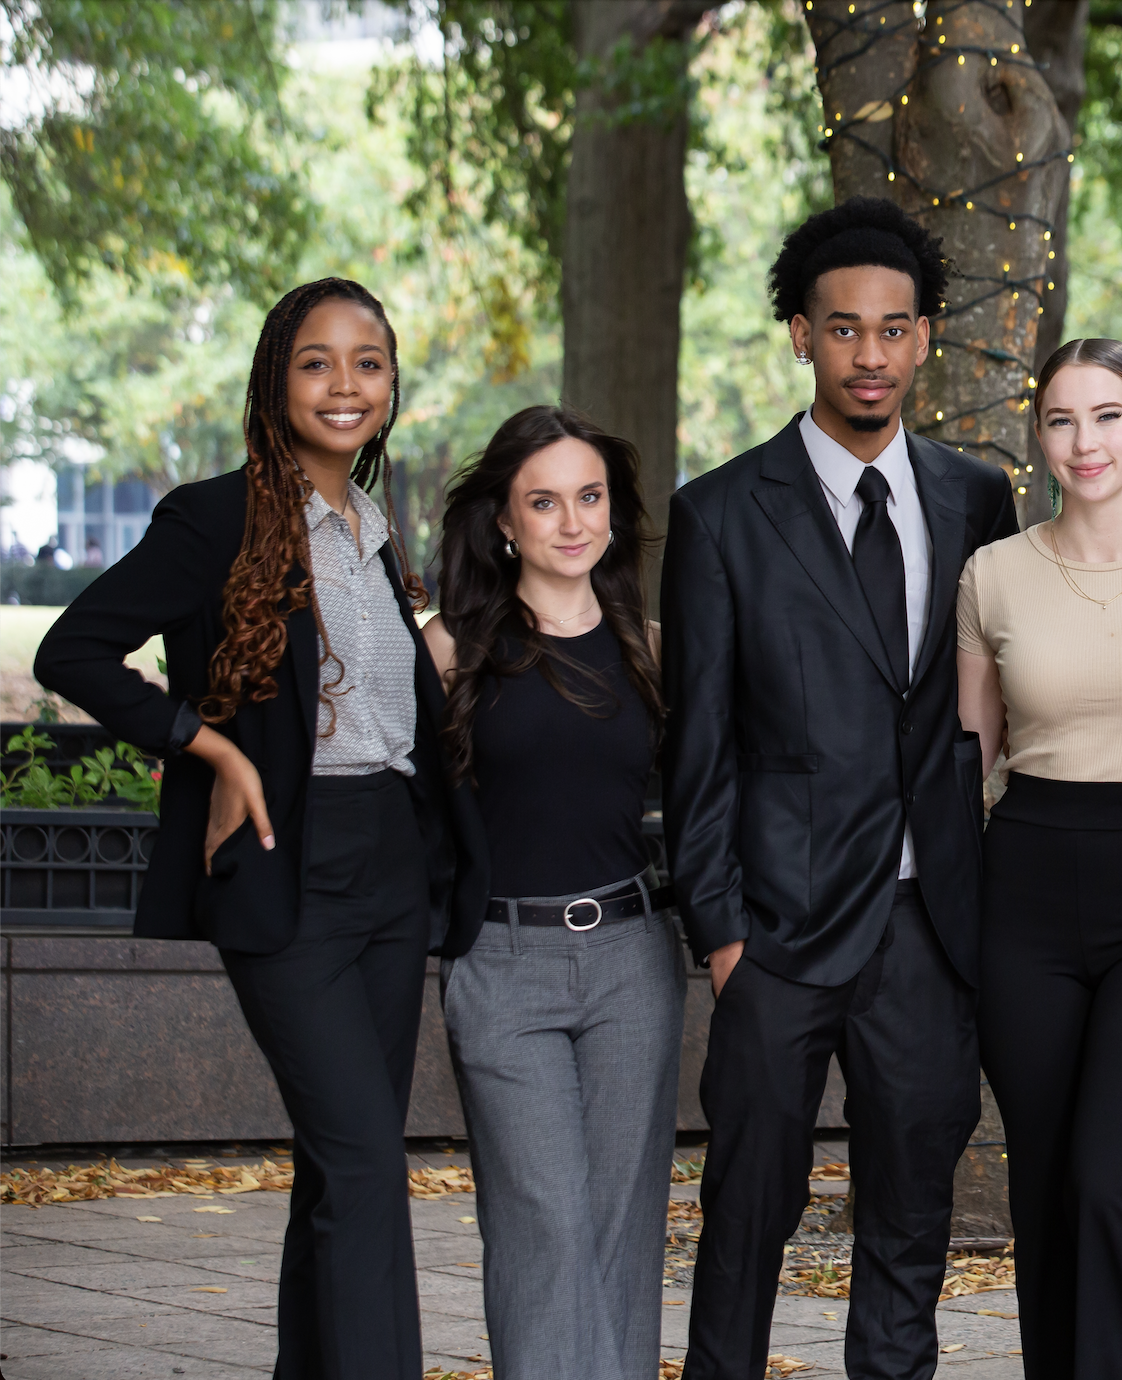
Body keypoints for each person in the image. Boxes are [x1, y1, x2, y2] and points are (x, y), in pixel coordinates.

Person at [33, 278, 487, 1379]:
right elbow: (73, 652)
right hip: (287, 867)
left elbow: (383, 708)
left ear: (391, 385)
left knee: (342, 1170)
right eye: (316, 362)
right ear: (275, 379)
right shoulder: (214, 517)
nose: (344, 384)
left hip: (390, 865)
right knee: (371, 1164)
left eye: (367, 362)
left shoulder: (374, 528)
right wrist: (213, 747)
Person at [662, 196, 1019, 1380]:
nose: (870, 353)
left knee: (909, 1222)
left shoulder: (976, 501)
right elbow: (699, 739)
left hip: (928, 927)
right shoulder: (719, 514)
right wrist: (719, 934)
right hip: (775, 930)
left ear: (922, 340)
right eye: (843, 329)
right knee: (745, 1217)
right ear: (802, 337)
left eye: (894, 328)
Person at [956, 338, 1122, 1378]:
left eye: (1107, 415)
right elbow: (966, 764)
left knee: (1116, 1179)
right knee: (1046, 1184)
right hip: (1022, 886)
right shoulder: (994, 573)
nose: (1085, 440)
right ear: (1039, 438)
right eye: (1062, 419)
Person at [420, 405, 681, 1380]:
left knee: (621, 1227)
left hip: (629, 961)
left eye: (588, 497)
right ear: (502, 521)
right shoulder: (448, 651)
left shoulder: (651, 648)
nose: (571, 521)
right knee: (544, 1222)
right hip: (502, 965)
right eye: (543, 501)